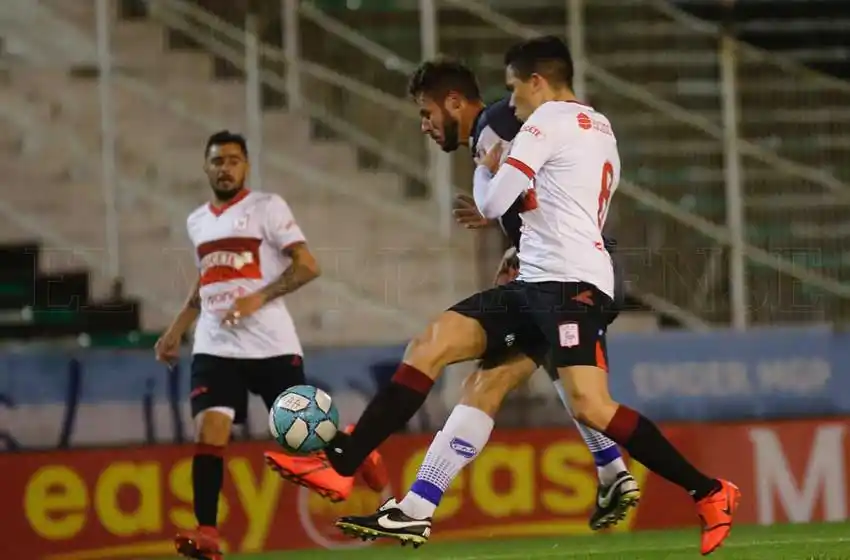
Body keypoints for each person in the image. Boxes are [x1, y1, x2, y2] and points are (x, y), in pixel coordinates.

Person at [283, 35, 739, 556]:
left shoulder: (532, 121)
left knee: (591, 403)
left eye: (514, 88)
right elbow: (563, 197)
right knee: (440, 352)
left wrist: (489, 179)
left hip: (570, 284)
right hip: (538, 278)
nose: (510, 102)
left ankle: (706, 489)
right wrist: (520, 236)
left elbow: (497, 197)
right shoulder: (601, 126)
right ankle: (381, 488)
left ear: (536, 83)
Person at [154, 130, 388, 560]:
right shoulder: (197, 221)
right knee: (209, 429)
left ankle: (356, 448)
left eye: (233, 160)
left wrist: (257, 297)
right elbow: (206, 280)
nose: (225, 167)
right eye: (217, 161)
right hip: (214, 344)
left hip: (270, 343)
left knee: (304, 439)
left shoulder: (267, 207)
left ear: (246, 165)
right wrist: (176, 329)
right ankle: (208, 533)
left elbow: (308, 266)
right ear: (205, 167)